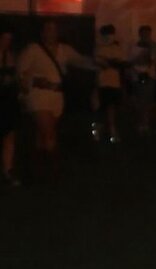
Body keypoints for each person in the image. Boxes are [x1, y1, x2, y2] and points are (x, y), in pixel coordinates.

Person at [17, 18, 93, 183]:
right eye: (48, 29)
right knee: (49, 133)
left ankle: (36, 169)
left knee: (42, 135)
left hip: (57, 96)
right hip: (39, 95)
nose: (51, 33)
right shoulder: (33, 50)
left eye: (54, 30)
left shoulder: (64, 50)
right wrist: (35, 81)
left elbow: (80, 60)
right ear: (42, 33)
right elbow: (20, 72)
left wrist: (99, 63)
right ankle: (53, 171)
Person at [93, 24, 127, 143]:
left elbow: (121, 63)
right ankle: (97, 132)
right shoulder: (98, 48)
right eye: (107, 33)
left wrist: (111, 62)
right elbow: (100, 63)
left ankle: (112, 130)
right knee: (99, 109)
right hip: (101, 83)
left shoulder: (117, 48)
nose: (109, 36)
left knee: (111, 107)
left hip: (114, 83)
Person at [127, 25, 156, 135]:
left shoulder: (154, 46)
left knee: (148, 100)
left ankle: (145, 122)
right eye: (144, 33)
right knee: (139, 100)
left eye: (147, 33)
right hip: (137, 76)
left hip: (150, 76)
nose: (146, 36)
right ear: (140, 34)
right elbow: (130, 61)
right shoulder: (134, 47)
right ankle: (141, 121)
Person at [0, 29, 21, 187]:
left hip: (8, 100)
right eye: (4, 39)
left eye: (9, 39)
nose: (6, 43)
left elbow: (16, 77)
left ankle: (8, 170)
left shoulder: (11, 56)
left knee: (9, 135)